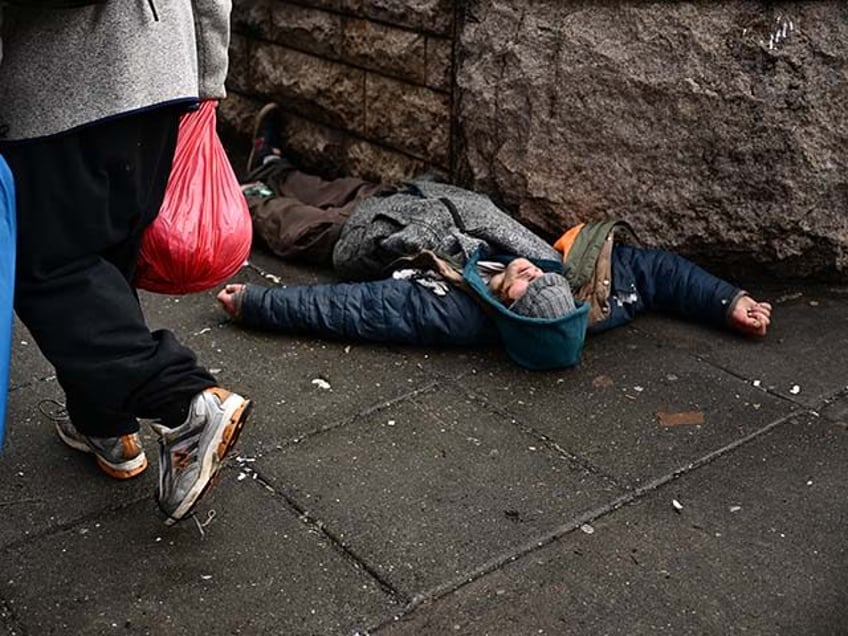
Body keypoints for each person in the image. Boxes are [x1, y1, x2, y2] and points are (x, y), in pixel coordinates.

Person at [217, 104, 771, 364]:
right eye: (538, 273)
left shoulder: (449, 313)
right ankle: (272, 163)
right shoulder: (582, 297)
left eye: (522, 284)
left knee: (286, 222)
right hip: (417, 202)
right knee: (329, 185)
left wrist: (259, 304)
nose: (530, 270)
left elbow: (353, 310)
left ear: (506, 309)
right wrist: (728, 300)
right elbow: (655, 273)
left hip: (366, 243)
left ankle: (244, 190)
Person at [0, 2, 252, 525]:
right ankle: (107, 426)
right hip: (162, 78)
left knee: (48, 268)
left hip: (57, 85)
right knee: (109, 255)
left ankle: (183, 399)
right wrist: (208, 78)